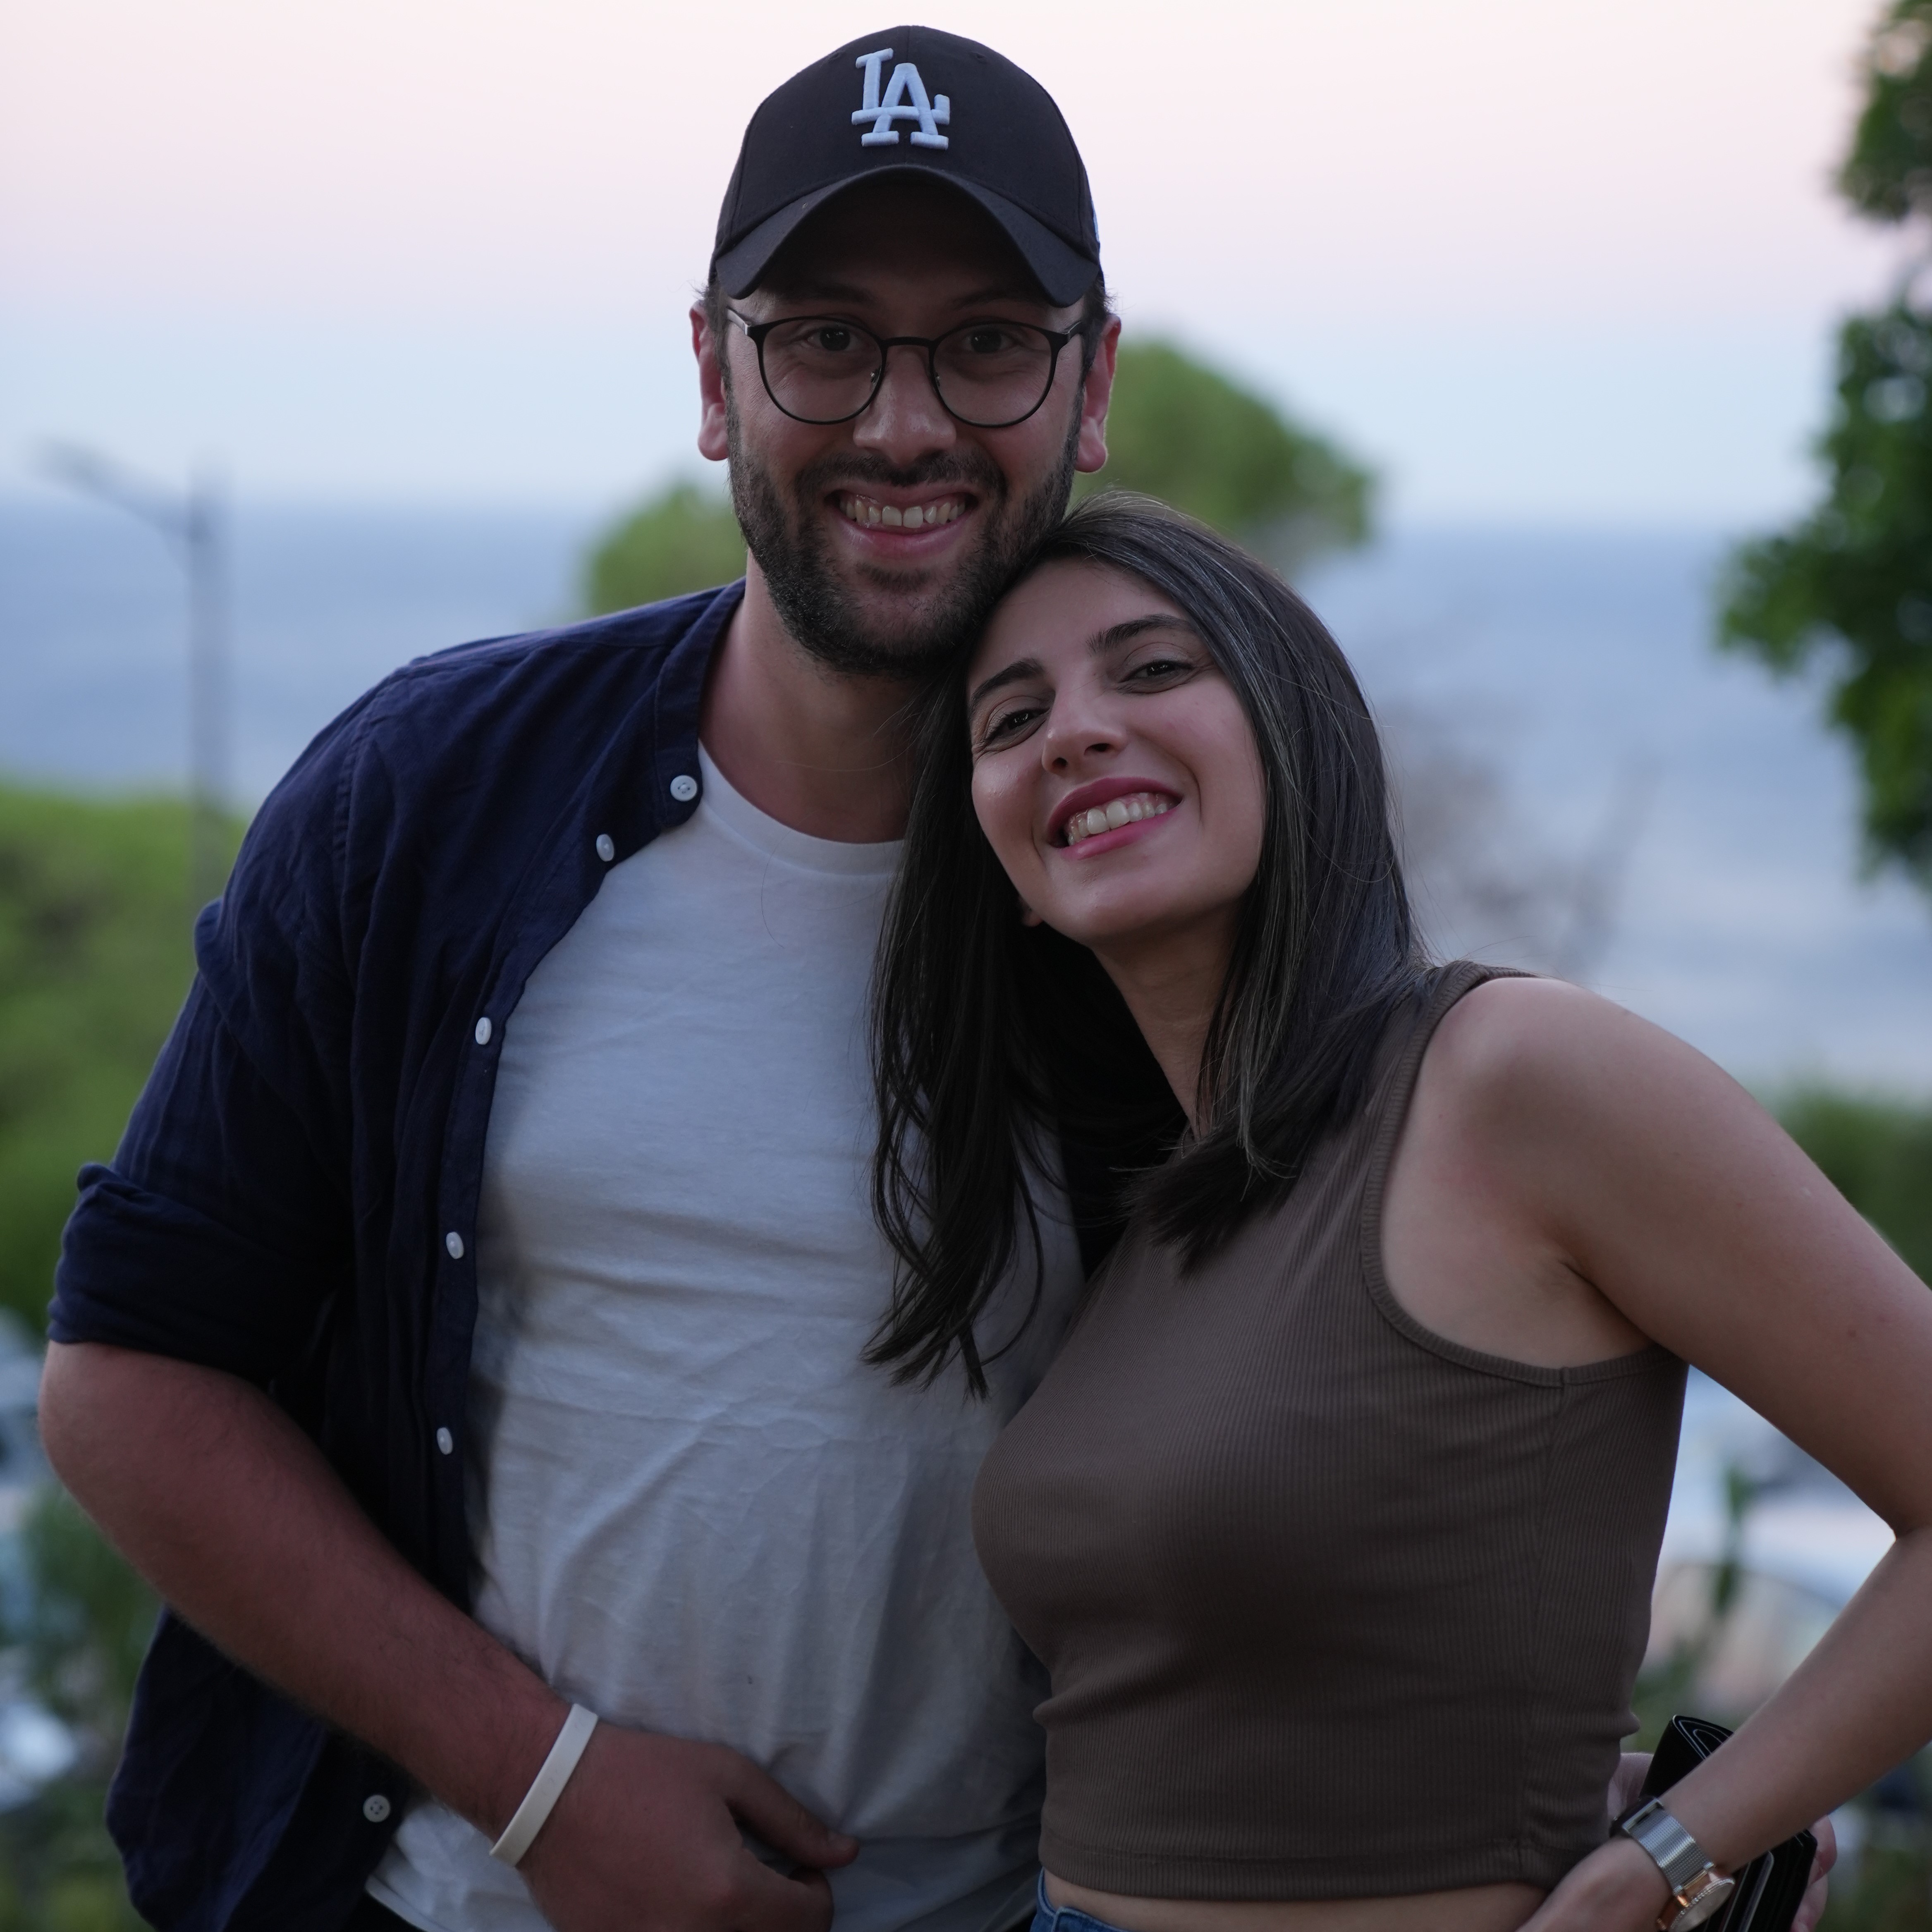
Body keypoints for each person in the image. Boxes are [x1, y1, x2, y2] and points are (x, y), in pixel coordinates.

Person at [39, 30, 1123, 1932]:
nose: (903, 424)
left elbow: (1368, 1381)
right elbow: (132, 1376)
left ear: (1091, 383)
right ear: (712, 374)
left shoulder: (1164, 876)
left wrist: (1588, 1817)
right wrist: (538, 1785)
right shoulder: (427, 797)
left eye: (985, 343)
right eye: (823, 340)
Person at [870, 496, 1922, 1932]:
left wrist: (1673, 1857)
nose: (1073, 732)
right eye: (1011, 719)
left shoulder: (1511, 1074)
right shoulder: (1146, 1220)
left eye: (1153, 668)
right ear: (1012, 878)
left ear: (1292, 731)